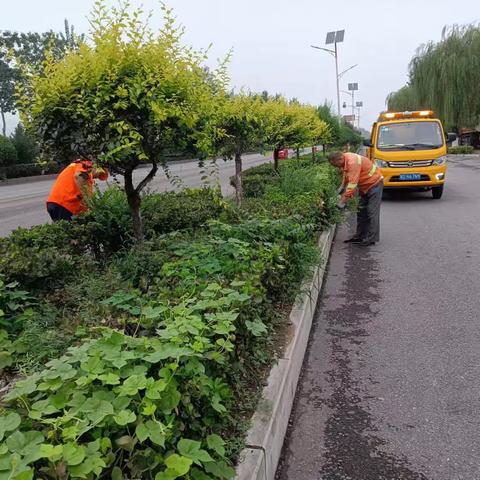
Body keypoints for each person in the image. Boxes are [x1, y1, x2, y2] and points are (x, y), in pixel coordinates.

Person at [328, 151, 384, 247]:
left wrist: (341, 203)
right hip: (365, 186)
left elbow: (352, 185)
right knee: (361, 211)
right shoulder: (345, 159)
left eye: (335, 165)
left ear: (339, 159)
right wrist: (341, 188)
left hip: (375, 184)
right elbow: (347, 175)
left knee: (371, 212)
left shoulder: (352, 162)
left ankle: (371, 239)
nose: (336, 167)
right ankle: (360, 236)